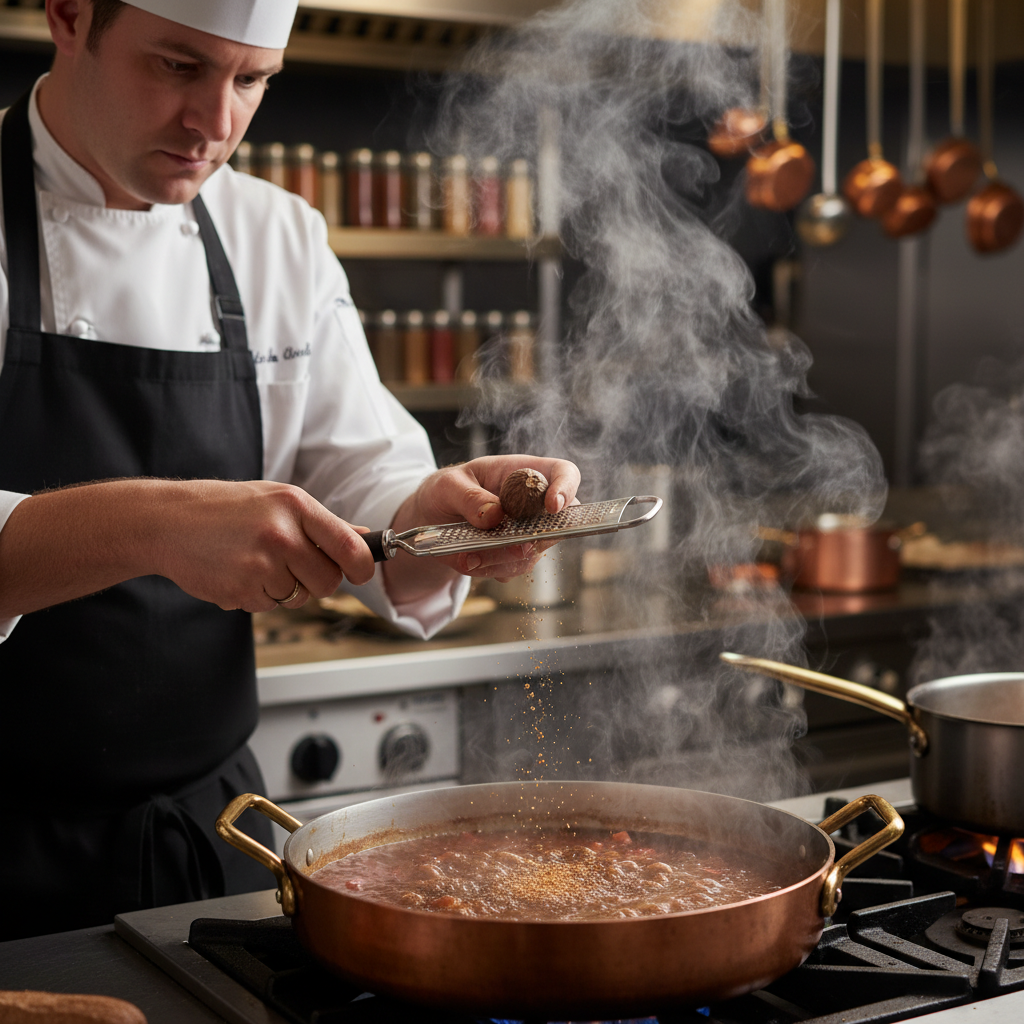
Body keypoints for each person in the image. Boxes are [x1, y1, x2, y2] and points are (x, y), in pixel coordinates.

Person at [0, 0, 580, 940]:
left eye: (252, 79)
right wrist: (156, 525)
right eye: (178, 66)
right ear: (70, 16)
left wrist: (437, 519)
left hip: (213, 832)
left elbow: (365, 479)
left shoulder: (276, 235)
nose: (214, 122)